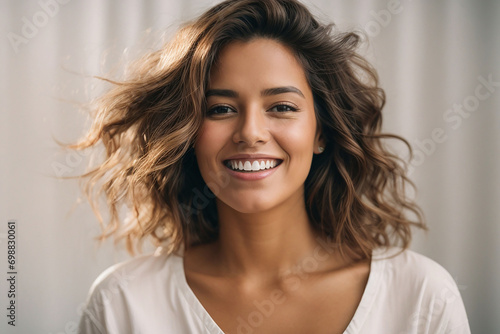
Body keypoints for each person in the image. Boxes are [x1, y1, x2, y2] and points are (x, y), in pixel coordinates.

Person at [75, 0, 471, 333]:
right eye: (221, 109)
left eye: (281, 107)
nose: (250, 132)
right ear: (190, 133)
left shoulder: (421, 297)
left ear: (321, 132)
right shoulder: (122, 305)